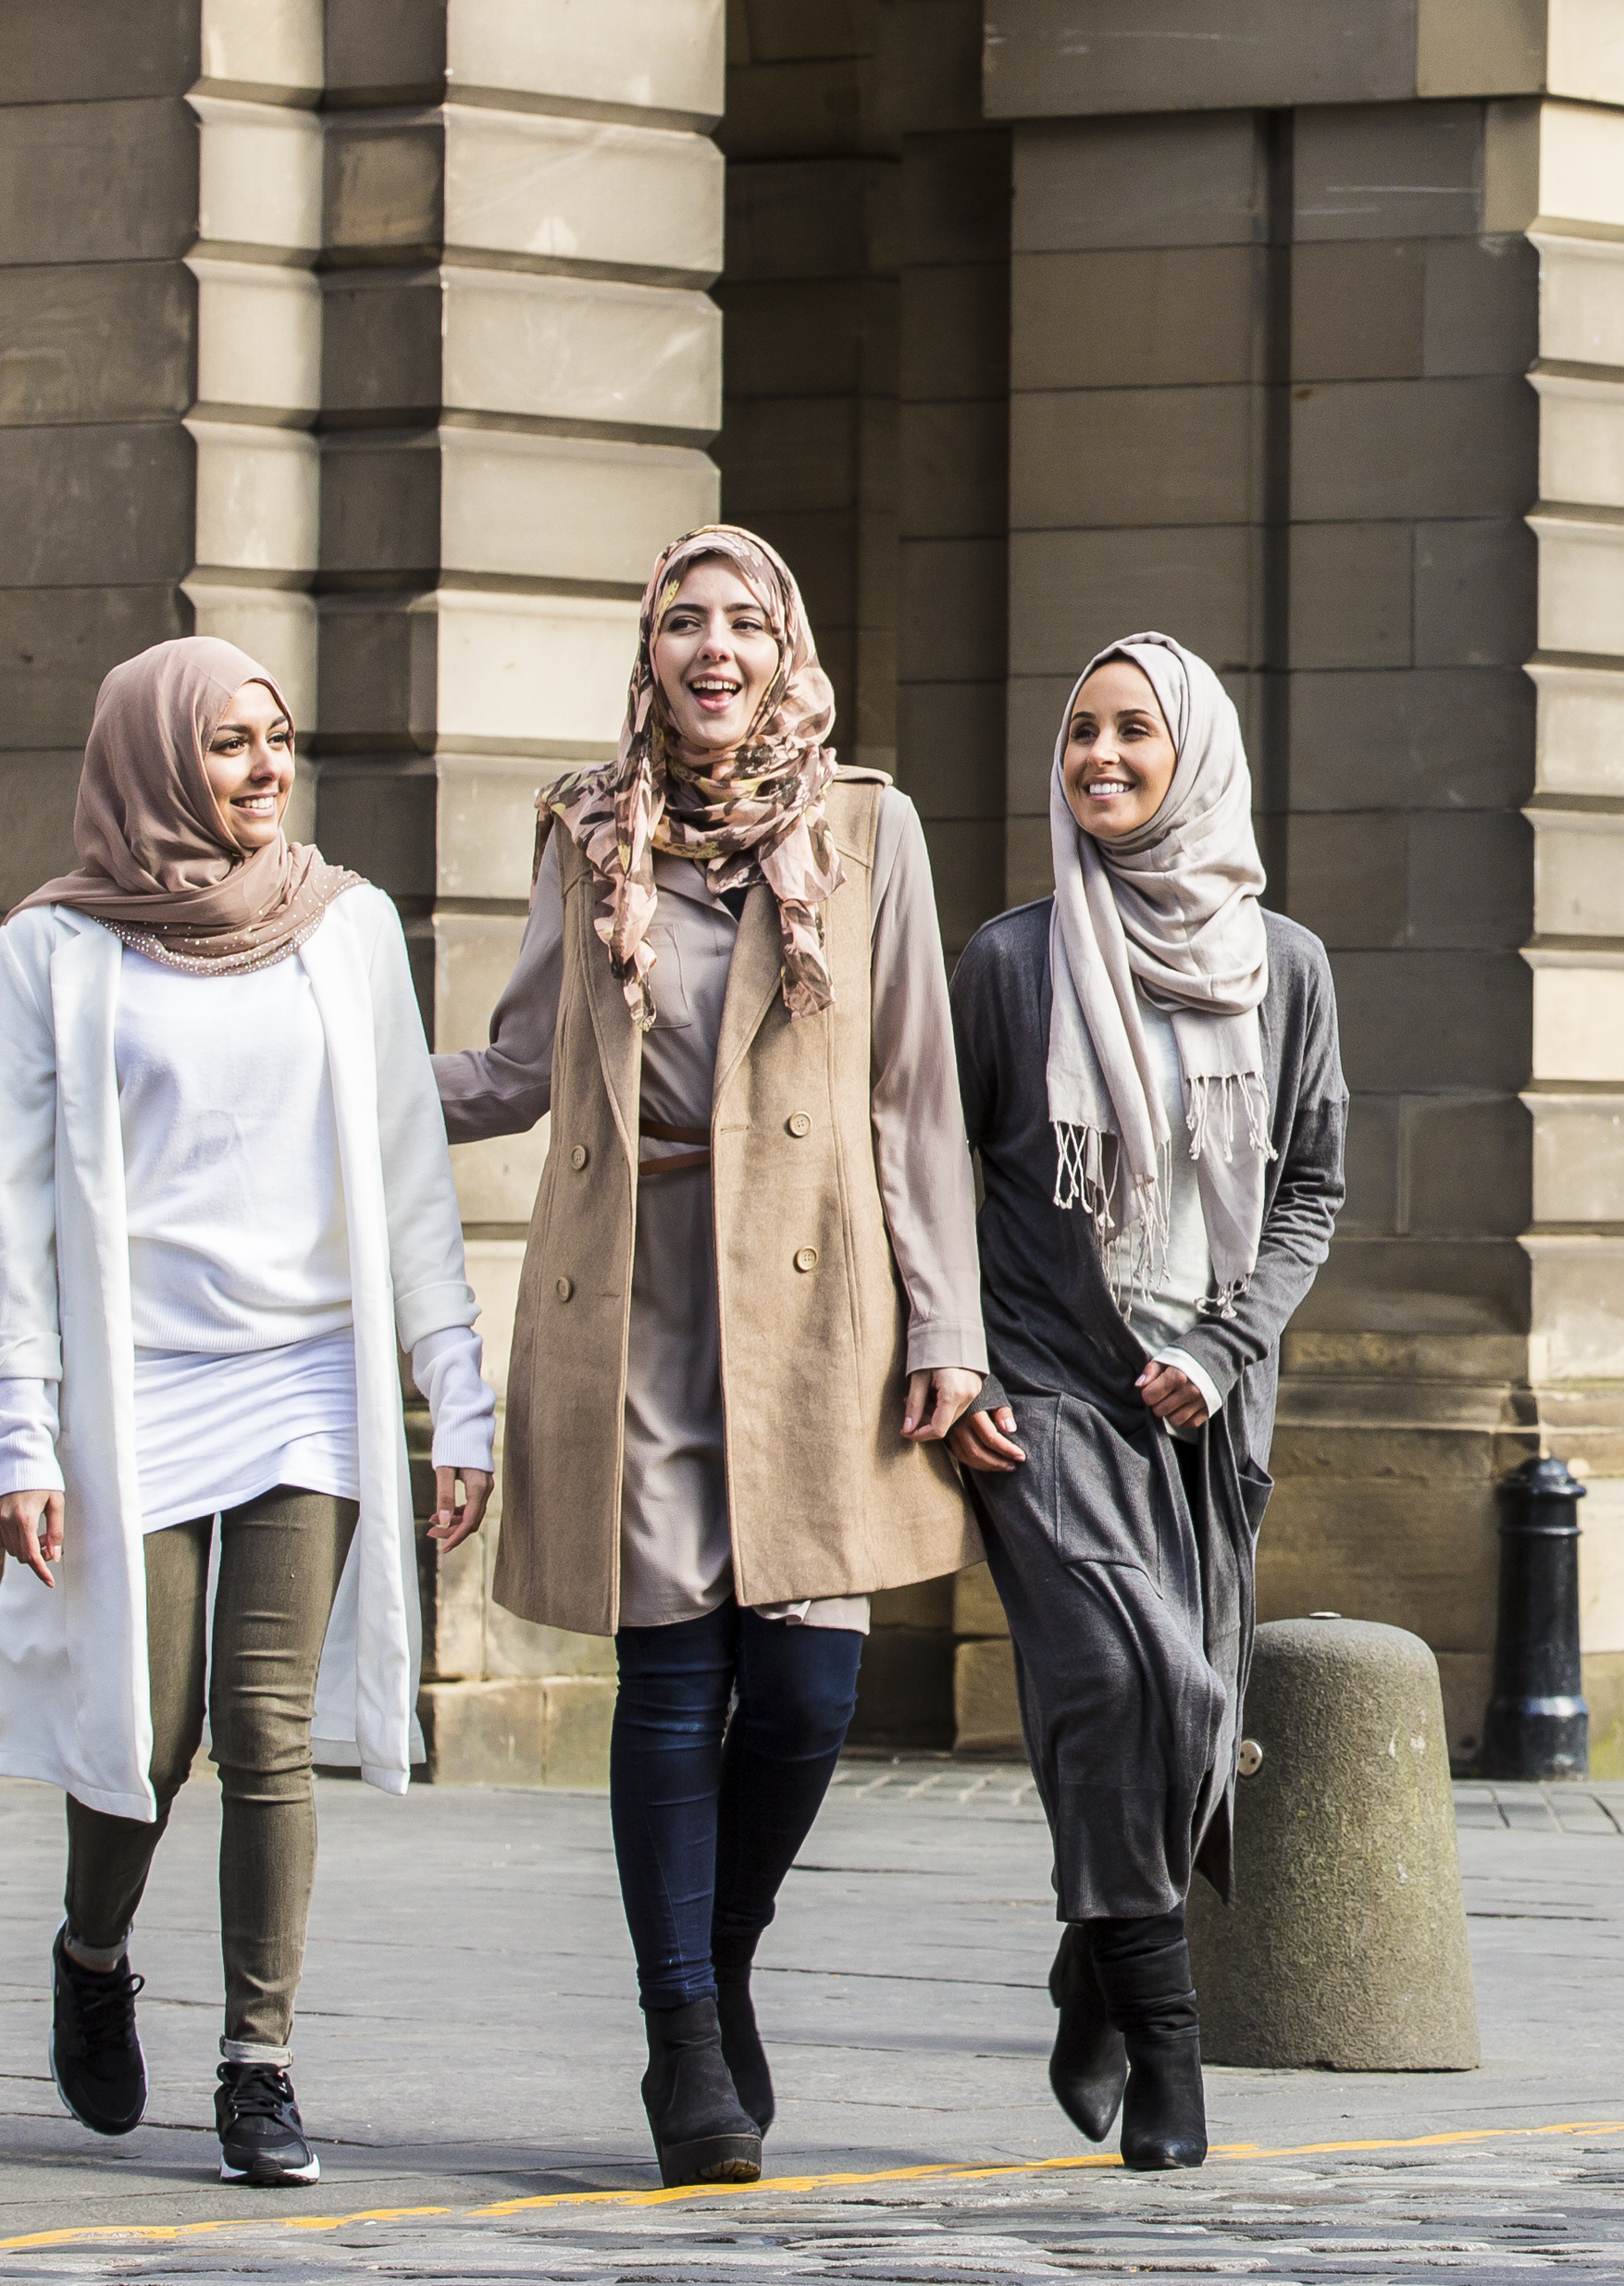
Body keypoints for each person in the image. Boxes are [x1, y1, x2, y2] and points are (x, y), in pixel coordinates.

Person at [440, 525, 981, 2187]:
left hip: (820, 1295)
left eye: (746, 616)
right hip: (647, 1285)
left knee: (812, 1679)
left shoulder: (868, 826)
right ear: (652, 650)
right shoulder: (588, 828)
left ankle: (721, 1946)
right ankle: (685, 2030)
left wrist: (949, 1319)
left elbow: (912, 1091)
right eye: (686, 616)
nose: (715, 641)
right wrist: (317, 1079)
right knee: (673, 1677)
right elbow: (523, 1057)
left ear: (786, 644)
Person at [0, 640, 498, 2192]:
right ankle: (94, 1944)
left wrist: (456, 1393)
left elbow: (406, 1171)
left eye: (279, 740)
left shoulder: (348, 927)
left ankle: (259, 2059)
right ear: (150, 761)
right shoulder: (55, 948)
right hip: (140, 1381)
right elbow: (11, 1208)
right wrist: (23, 1428)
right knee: (152, 1721)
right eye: (229, 746)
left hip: (306, 1378)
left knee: (266, 1725)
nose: (267, 772)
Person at [945, 634, 1346, 2172]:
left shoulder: (1285, 967)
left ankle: (1095, 1960)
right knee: (1141, 1682)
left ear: (1197, 753)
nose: (1099, 756)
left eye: (1133, 731)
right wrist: (958, 1350)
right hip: (1047, 1381)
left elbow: (1311, 1187)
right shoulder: (1008, 962)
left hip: (1206, 1413)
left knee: (1185, 1717)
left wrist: (1233, 1346)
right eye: (1080, 732)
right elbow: (936, 1174)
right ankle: (1170, 2054)